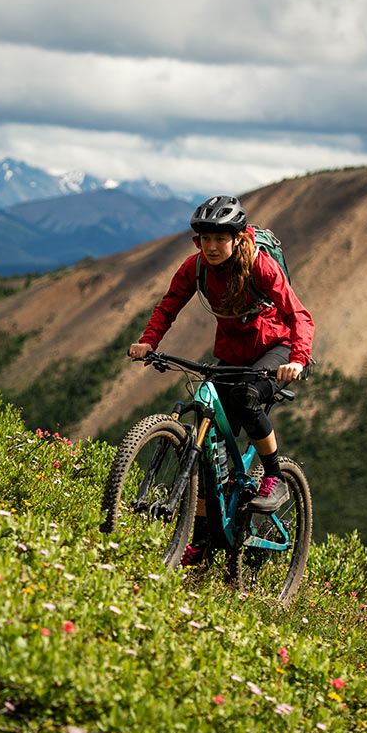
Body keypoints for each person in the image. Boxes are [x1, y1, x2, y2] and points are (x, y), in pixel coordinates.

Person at [127, 194, 314, 564]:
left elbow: (300, 316)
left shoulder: (261, 267)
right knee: (206, 453)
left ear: (238, 237)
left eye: (219, 239)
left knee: (247, 398)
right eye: (205, 239)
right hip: (231, 354)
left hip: (275, 351)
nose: (211, 247)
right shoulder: (194, 268)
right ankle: (199, 543)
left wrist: (297, 359)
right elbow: (168, 306)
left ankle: (274, 475)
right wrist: (149, 341)